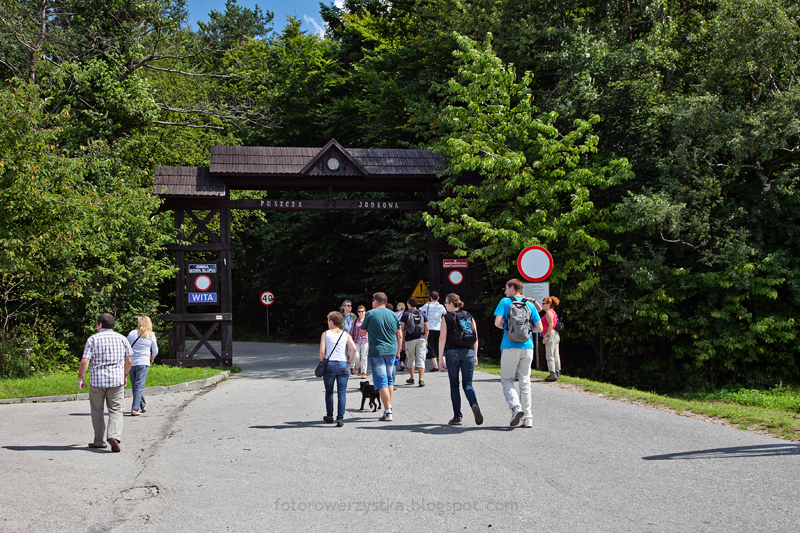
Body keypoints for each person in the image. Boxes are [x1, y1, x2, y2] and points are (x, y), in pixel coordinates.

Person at [77, 313, 132, 452]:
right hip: (116, 380)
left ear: (100, 325)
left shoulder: (92, 340)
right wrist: (125, 375)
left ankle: (99, 441)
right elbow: (129, 360)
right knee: (116, 410)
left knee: (97, 411)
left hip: (97, 381)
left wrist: (80, 378)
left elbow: (85, 361)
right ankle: (114, 435)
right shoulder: (122, 339)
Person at [493, 279, 542, 428]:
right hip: (528, 347)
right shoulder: (530, 304)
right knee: (525, 382)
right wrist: (525, 332)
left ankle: (516, 408)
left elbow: (497, 323)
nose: (505, 291)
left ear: (512, 288)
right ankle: (528, 418)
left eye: (506, 288)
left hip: (509, 346)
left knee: (507, 380)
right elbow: (539, 328)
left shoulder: (505, 302)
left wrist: (509, 330)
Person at [438, 293, 483, 426]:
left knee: (454, 385)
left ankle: (457, 416)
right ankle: (474, 403)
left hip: (452, 353)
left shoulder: (447, 317)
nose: (445, 305)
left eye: (446, 303)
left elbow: (442, 338)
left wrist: (440, 357)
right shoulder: (469, 316)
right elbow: (475, 336)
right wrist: (475, 355)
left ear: (451, 304)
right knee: (468, 384)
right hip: (468, 352)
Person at [360, 292, 402, 421]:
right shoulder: (393, 315)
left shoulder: (370, 314)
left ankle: (388, 411)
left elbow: (362, 332)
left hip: (377, 352)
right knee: (390, 380)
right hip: (391, 351)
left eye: (373, 300)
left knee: (381, 382)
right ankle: (388, 406)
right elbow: (399, 335)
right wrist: (398, 351)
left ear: (376, 302)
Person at [319, 311, 357, 427]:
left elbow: (322, 351)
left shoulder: (325, 334)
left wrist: (322, 361)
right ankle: (340, 418)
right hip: (343, 364)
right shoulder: (345, 334)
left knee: (329, 391)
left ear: (331, 322)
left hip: (329, 365)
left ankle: (329, 415)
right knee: (342, 393)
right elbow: (354, 349)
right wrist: (349, 361)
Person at [126, 316, 159, 416]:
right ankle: (135, 408)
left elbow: (126, 347)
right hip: (143, 362)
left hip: (132, 362)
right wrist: (152, 358)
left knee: (135, 385)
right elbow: (155, 350)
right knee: (139, 385)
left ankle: (142, 405)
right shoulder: (150, 335)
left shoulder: (131, 333)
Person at [400, 296, 429, 387]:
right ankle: (421, 379)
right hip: (421, 339)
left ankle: (412, 378)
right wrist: (426, 339)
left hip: (409, 339)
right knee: (421, 358)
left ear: (409, 304)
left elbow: (402, 329)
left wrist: (402, 341)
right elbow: (427, 328)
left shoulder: (405, 314)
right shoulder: (423, 314)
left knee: (410, 358)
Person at [533, 296, 561, 381]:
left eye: (544, 303)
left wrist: (546, 336)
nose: (542, 305)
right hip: (555, 334)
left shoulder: (549, 312)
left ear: (549, 305)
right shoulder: (553, 312)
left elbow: (551, 325)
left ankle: (552, 373)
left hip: (551, 334)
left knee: (549, 354)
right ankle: (557, 371)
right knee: (555, 354)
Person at [421, 291, 447, 372]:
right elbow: (445, 314)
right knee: (440, 347)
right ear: (438, 298)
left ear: (430, 298)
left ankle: (435, 366)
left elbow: (419, 310)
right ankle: (444, 365)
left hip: (430, 329)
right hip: (439, 329)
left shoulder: (427, 306)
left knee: (431, 347)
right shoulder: (441, 306)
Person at [349, 305, 369, 378]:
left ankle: (364, 372)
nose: (361, 313)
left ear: (365, 312)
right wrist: (350, 339)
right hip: (356, 340)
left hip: (365, 340)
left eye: (362, 311)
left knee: (364, 356)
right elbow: (351, 331)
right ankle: (360, 366)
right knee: (356, 356)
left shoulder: (367, 321)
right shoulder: (355, 321)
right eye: (359, 311)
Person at [340, 300, 357, 374]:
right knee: (343, 352)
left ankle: (352, 367)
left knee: (351, 352)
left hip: (351, 336)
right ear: (344, 307)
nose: (350, 307)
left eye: (351, 305)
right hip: (342, 336)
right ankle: (344, 367)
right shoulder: (340, 316)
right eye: (348, 305)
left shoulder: (353, 316)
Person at [394, 302, 407, 370]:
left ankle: (395, 362)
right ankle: (402, 363)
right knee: (402, 348)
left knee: (397, 348)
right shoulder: (404, 314)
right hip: (402, 332)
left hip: (394, 333)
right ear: (403, 308)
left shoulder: (394, 314)